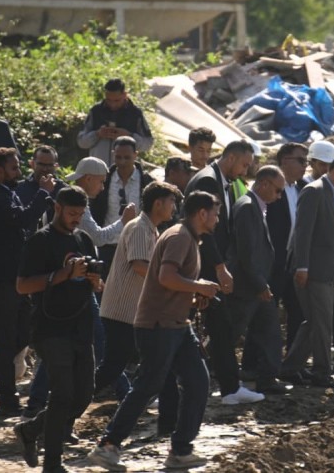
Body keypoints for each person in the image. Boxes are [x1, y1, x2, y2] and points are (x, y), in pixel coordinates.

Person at [87, 191, 220, 471]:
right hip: (158, 325)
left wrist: (195, 296)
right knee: (148, 385)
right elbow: (166, 277)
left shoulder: (189, 238)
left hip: (177, 325)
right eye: (215, 213)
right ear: (202, 214)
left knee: (198, 382)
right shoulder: (179, 237)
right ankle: (107, 445)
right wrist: (199, 287)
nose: (217, 219)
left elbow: (170, 283)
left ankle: (181, 450)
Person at [13, 186, 102, 473]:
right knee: (62, 394)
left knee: (83, 395)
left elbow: (96, 283)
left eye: (81, 214)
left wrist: (93, 281)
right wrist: (64, 274)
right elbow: (22, 285)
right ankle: (53, 463)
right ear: (58, 208)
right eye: (72, 213)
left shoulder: (84, 239)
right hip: (50, 328)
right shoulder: (40, 241)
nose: (76, 219)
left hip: (81, 325)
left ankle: (31, 430)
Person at [0, 147, 54, 416]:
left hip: (14, 278)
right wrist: (43, 193)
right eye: (13, 168)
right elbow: (23, 220)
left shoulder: (3, 194)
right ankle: (6, 400)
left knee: (22, 336)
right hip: (1, 280)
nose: (19, 173)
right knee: (7, 340)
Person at [94, 182, 180, 403]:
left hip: (134, 313)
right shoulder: (140, 228)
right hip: (121, 312)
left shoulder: (151, 229)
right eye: (171, 201)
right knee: (112, 368)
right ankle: (63, 405)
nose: (174, 207)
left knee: (150, 360)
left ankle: (153, 403)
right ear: (158, 203)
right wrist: (170, 283)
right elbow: (140, 266)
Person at [282, 156, 334, 388]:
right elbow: (303, 233)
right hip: (313, 270)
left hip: (327, 269)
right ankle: (322, 372)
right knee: (322, 322)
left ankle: (290, 368)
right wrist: (302, 266)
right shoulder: (314, 191)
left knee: (315, 322)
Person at [184, 140, 253, 403]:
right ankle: (229, 387)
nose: (245, 171)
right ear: (231, 157)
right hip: (200, 266)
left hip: (206, 265)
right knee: (199, 324)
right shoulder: (208, 181)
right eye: (244, 164)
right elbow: (206, 231)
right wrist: (220, 267)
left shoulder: (220, 179)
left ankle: (229, 387)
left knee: (215, 326)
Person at [228, 165, 287, 395]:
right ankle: (205, 373)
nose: (279, 196)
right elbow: (246, 253)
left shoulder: (256, 206)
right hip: (247, 285)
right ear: (263, 184)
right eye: (278, 190)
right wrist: (259, 284)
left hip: (258, 284)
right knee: (229, 334)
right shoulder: (247, 207)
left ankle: (268, 378)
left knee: (270, 330)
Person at [266, 142, 308, 353]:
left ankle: (292, 363)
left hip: (294, 263)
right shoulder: (269, 189)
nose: (304, 166)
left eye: (306, 161)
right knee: (267, 315)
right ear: (284, 161)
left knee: (298, 313)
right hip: (274, 263)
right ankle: (254, 366)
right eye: (300, 160)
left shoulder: (302, 188)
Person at [89, 136, 152, 274]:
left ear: (136, 155)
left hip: (137, 246)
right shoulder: (104, 180)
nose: (122, 162)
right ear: (113, 154)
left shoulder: (146, 182)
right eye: (118, 157)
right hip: (107, 245)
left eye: (127, 157)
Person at [77, 79, 153, 165]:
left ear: (125, 95)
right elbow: (81, 142)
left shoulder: (135, 114)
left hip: (125, 172)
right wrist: (97, 134)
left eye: (117, 100)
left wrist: (129, 136)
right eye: (108, 100)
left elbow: (148, 144)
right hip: (98, 171)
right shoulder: (96, 111)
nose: (112, 104)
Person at [15, 145, 66, 237]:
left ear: (56, 166)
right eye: (41, 164)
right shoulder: (18, 189)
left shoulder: (63, 190)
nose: (45, 169)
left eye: (50, 165)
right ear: (32, 164)